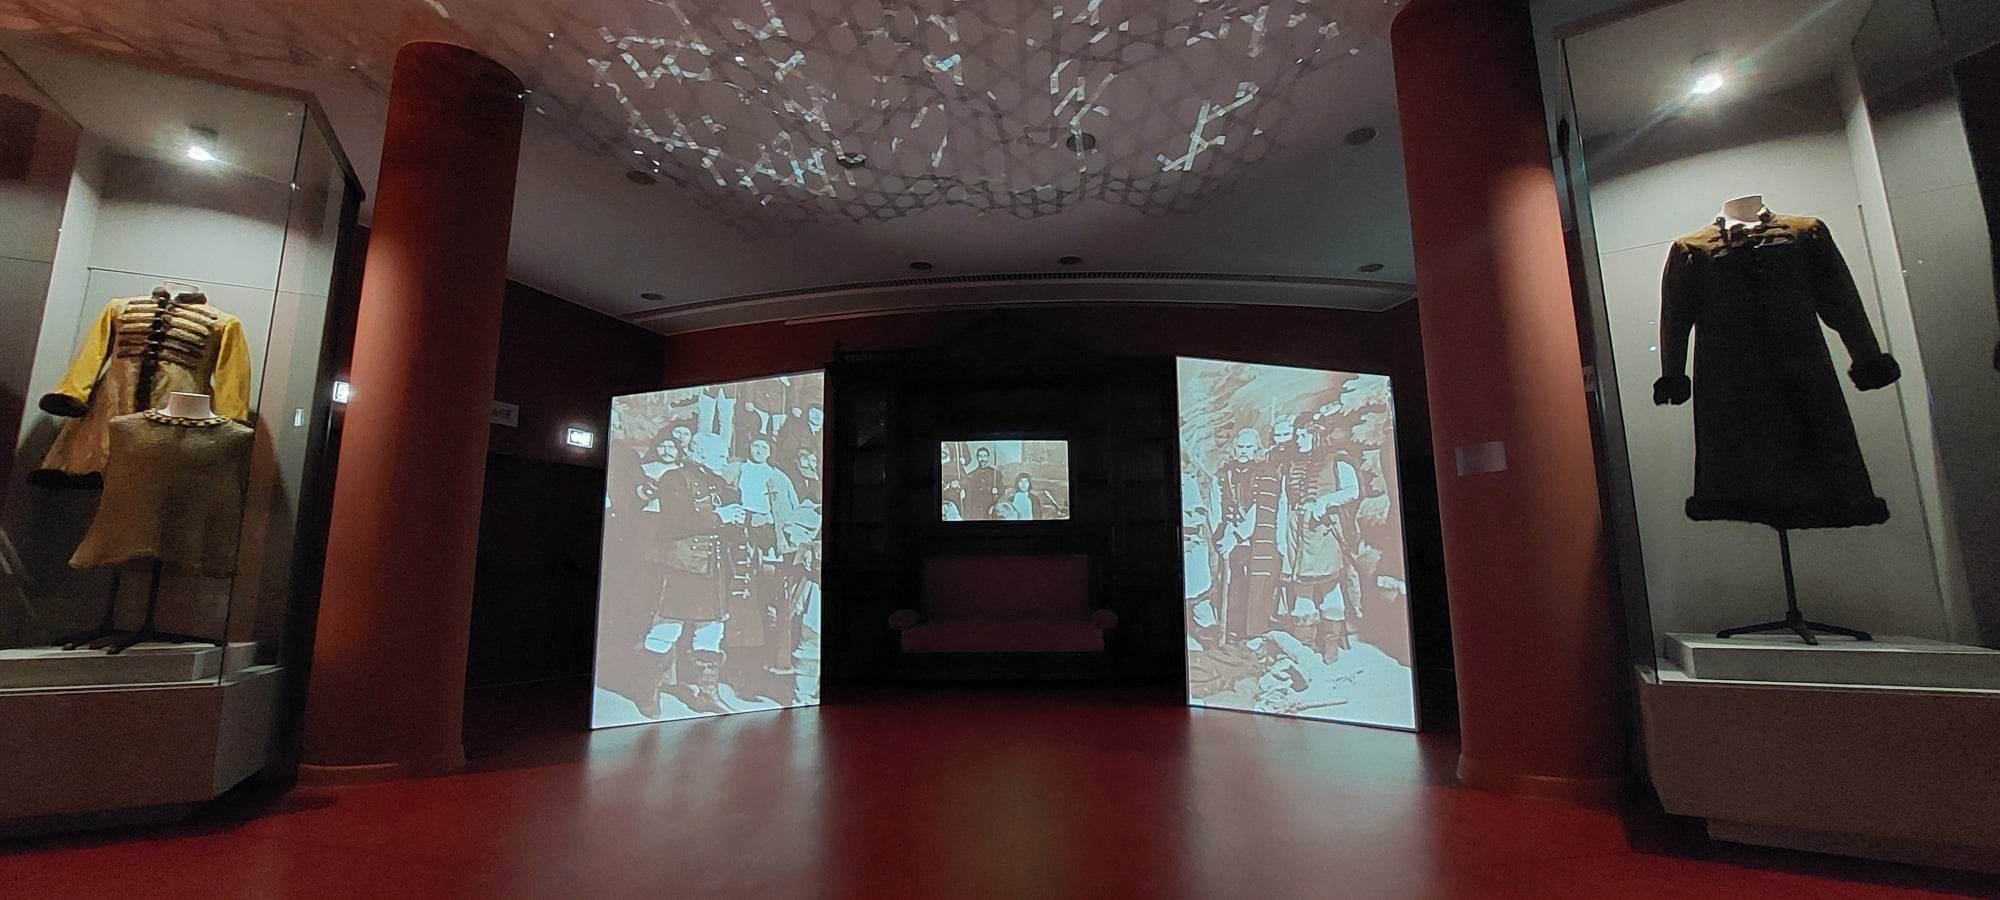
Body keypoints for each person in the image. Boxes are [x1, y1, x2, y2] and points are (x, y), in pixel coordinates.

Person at [642, 432, 747, 717]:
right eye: (720, 455)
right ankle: (649, 695)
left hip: (714, 569)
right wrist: (721, 517)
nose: (725, 460)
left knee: (712, 630)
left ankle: (707, 694)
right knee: (667, 628)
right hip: (683, 567)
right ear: (700, 455)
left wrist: (735, 520)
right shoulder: (674, 479)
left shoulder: (719, 483)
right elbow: (676, 521)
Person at [961, 445, 999, 520]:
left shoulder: (995, 473)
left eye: (985, 456)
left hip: (990, 508)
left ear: (988, 457)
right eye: (980, 456)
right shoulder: (971, 475)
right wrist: (963, 490)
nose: (982, 459)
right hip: (976, 510)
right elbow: (966, 490)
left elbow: (1002, 489)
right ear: (977, 458)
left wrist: (997, 491)